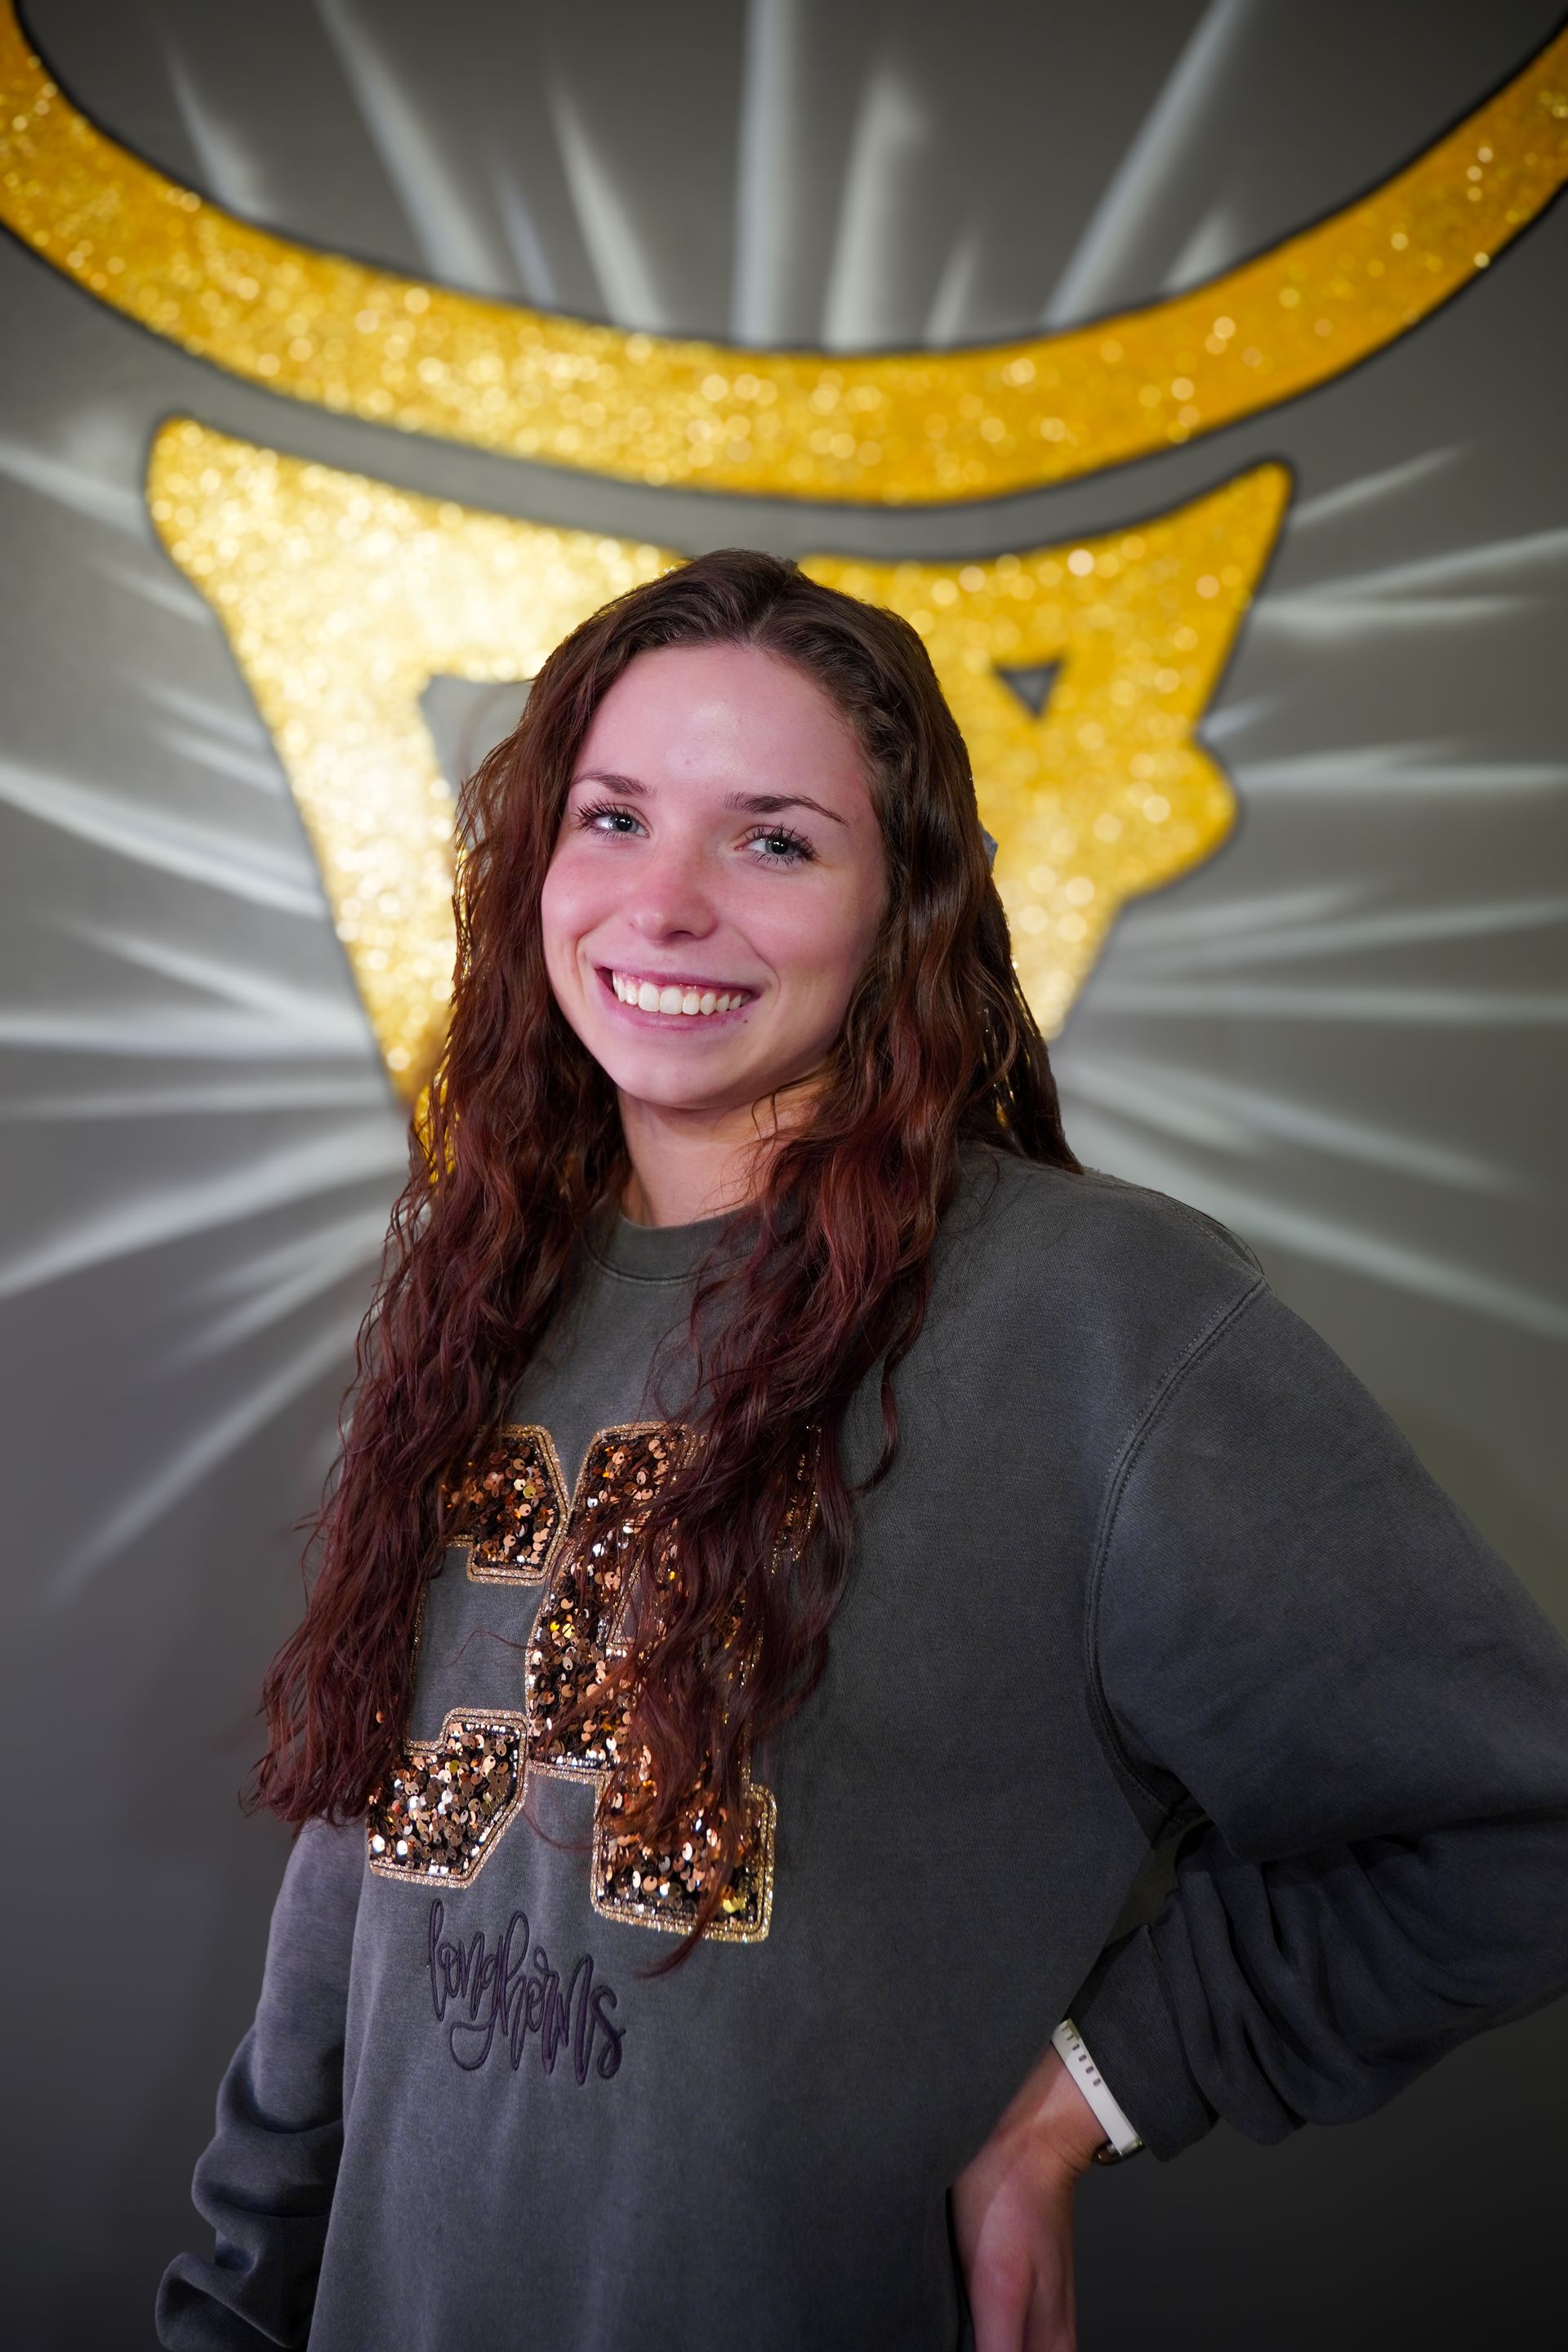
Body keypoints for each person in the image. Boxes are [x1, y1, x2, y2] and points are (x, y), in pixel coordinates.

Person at [158, 549, 1568, 2352]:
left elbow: (1511, 1819)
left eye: (775, 839)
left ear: (901, 906)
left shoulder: (1091, 1318)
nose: (662, 904)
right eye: (612, 817)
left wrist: (1078, 2103)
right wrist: (229, 2307)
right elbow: (364, 1879)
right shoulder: (486, 1289)